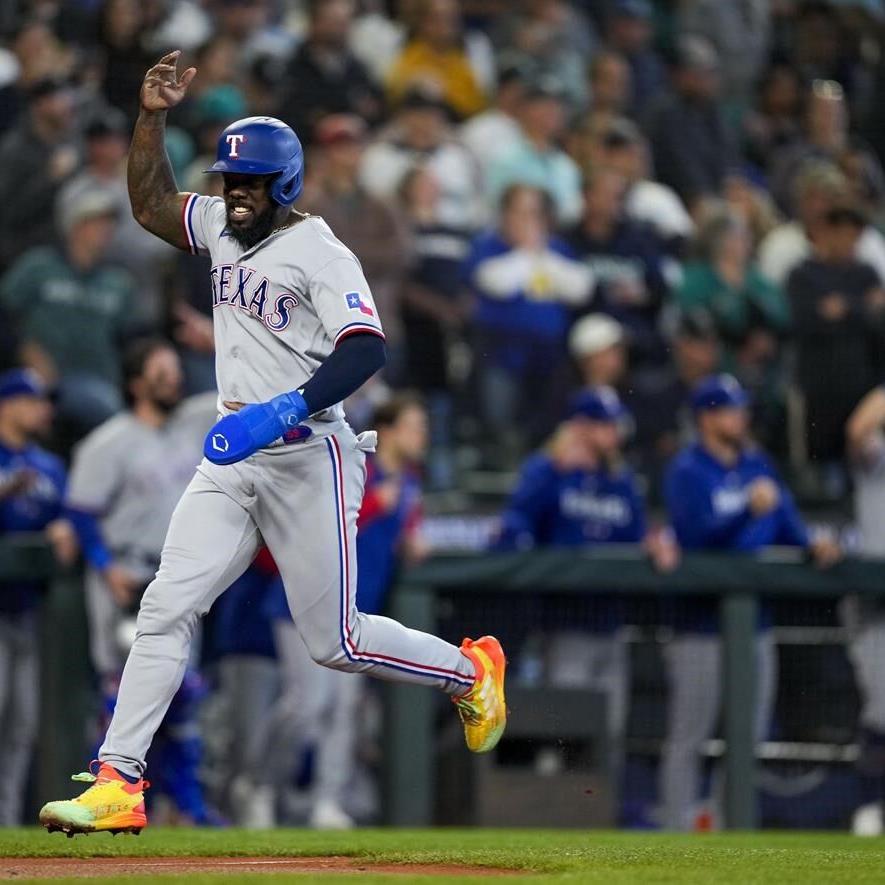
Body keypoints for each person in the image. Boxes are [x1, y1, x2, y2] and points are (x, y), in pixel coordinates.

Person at [39, 50, 506, 837]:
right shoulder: (222, 224)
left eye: (250, 183)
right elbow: (153, 207)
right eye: (229, 180)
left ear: (284, 184)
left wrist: (283, 406)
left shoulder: (320, 251)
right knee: (165, 604)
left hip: (309, 450)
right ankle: (119, 779)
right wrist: (149, 119)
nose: (236, 194)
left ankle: (470, 670)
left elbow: (366, 350)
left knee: (336, 640)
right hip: (235, 451)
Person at [238, 394, 431, 830]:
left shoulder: (411, 480)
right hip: (305, 600)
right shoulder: (356, 464)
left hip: (357, 610)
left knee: (343, 710)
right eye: (415, 425)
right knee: (307, 704)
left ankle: (327, 801)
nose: (424, 436)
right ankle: (259, 786)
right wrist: (378, 505)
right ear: (390, 428)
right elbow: (319, 519)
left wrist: (411, 534)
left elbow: (405, 524)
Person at [660, 375, 840, 831]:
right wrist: (747, 509)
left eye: (741, 408)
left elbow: (789, 527)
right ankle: (675, 831)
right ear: (706, 417)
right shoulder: (687, 469)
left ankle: (727, 826)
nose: (740, 417)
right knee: (689, 737)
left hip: (754, 624)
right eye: (730, 409)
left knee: (749, 737)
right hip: (699, 625)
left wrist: (814, 545)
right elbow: (696, 539)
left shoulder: (758, 464)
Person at [65, 339, 218, 824]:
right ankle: (107, 791)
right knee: (121, 692)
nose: (172, 377)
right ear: (136, 383)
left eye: (174, 368)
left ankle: (187, 806)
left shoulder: (195, 420)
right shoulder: (108, 442)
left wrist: (217, 340)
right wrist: (104, 565)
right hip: (127, 576)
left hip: (179, 573)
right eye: (159, 370)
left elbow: (242, 390)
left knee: (185, 693)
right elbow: (82, 512)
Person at [496, 387, 677, 790]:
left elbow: (635, 535)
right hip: (561, 625)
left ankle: (600, 825)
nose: (611, 433)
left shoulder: (621, 480)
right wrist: (554, 468)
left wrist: (651, 543)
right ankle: (553, 822)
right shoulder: (549, 469)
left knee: (608, 733)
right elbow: (512, 528)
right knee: (560, 732)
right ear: (579, 425)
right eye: (601, 424)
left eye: (612, 424)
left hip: (610, 624)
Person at [464, 183, 593, 457]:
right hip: (502, 353)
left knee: (546, 423)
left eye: (534, 213)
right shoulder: (487, 245)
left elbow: (581, 288)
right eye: (520, 213)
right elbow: (493, 281)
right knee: (502, 421)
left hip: (551, 356)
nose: (528, 221)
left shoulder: (557, 248)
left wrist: (543, 259)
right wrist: (529, 256)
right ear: (504, 214)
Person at [0, 369, 75, 825]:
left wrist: (64, 528)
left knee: (20, 726)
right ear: (7, 405)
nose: (43, 409)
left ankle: (5, 823)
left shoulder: (49, 466)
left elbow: (66, 521)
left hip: (27, 606)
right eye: (32, 400)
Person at [0, 185, 135, 435]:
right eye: (96, 222)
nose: (106, 230)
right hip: (45, 382)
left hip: (101, 380)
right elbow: (4, 313)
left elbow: (132, 339)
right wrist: (23, 348)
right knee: (108, 412)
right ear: (75, 226)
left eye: (109, 224)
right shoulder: (39, 267)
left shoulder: (118, 281)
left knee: (110, 409)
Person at [301, 114, 410, 357]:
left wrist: (343, 255)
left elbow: (403, 253)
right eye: (338, 147)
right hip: (323, 327)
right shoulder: (307, 203)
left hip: (379, 318)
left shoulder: (383, 204)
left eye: (352, 146)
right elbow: (308, 259)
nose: (346, 155)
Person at [787, 204, 885, 465]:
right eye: (843, 234)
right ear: (826, 233)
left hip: (862, 386)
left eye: (855, 236)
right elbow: (805, 323)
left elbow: (877, 321)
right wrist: (862, 308)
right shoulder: (803, 275)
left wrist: (846, 309)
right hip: (819, 389)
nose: (849, 242)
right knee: (821, 466)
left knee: (866, 464)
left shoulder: (866, 273)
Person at [565, 167, 671, 368]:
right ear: (586, 196)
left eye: (619, 196)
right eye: (607, 194)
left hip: (634, 332)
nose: (614, 202)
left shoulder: (639, 238)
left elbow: (661, 286)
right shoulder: (568, 239)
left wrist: (644, 295)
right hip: (585, 332)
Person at [359, 83, 483, 234]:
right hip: (394, 240)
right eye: (417, 114)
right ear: (402, 117)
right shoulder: (379, 156)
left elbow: (473, 208)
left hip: (454, 239)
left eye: (431, 115)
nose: (424, 122)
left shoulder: (457, 158)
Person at [844, 386, 885, 836]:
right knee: (882, 707)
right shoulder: (877, 456)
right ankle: (870, 805)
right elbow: (858, 429)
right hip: (876, 600)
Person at [645, 35, 738, 213]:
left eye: (711, 73)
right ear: (681, 74)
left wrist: (731, 186)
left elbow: (728, 157)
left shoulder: (712, 111)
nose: (709, 80)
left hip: (715, 195)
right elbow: (682, 169)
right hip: (678, 200)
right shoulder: (666, 112)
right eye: (701, 73)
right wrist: (707, 196)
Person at [275, 0, 382, 145]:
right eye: (334, 22)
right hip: (308, 150)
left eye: (345, 22)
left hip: (352, 148)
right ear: (315, 23)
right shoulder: (292, 67)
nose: (342, 29)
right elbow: (286, 116)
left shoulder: (357, 67)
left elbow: (375, 110)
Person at [0, 77, 80, 268]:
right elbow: (8, 212)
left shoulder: (69, 143)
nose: (67, 106)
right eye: (58, 100)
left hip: (60, 253)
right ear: (40, 104)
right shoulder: (15, 148)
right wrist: (50, 179)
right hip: (21, 257)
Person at [486, 77, 583, 225]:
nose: (553, 110)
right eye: (544, 104)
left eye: (557, 105)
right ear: (524, 109)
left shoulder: (567, 166)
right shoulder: (504, 158)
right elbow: (494, 213)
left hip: (559, 242)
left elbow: (572, 215)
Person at [386, 0, 492, 120]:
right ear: (424, 23)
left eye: (451, 19)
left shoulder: (463, 56)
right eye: (438, 18)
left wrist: (445, 92)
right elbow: (394, 96)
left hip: (459, 124)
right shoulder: (410, 54)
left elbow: (477, 104)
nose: (447, 26)